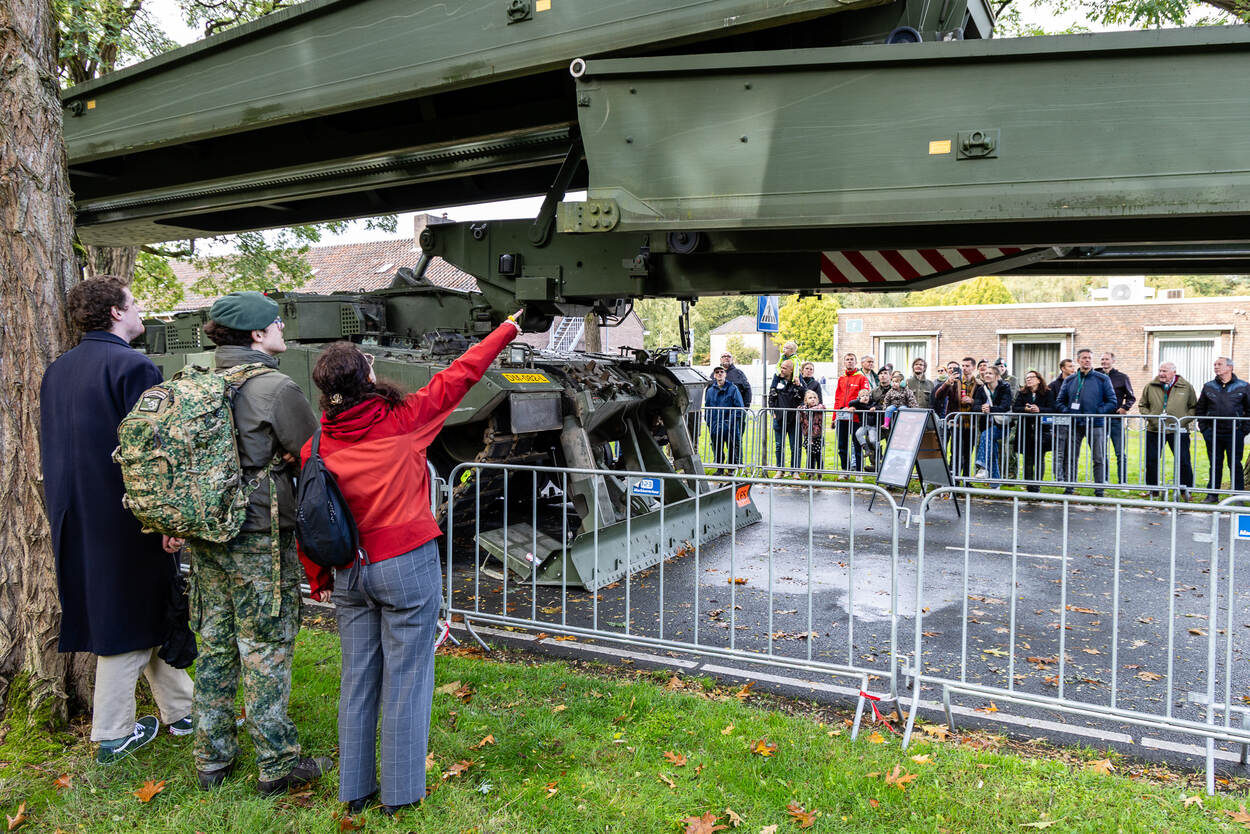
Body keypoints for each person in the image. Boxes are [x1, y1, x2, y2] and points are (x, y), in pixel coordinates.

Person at [300, 315, 521, 816]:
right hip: (406, 566)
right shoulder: (404, 419)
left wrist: (320, 579)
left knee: (358, 679)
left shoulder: (316, 445)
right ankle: (400, 796)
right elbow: (462, 373)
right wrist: (507, 328)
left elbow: (312, 516)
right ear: (367, 379)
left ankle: (355, 791)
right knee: (408, 679)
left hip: (350, 574)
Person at [39, 276, 194, 765]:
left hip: (73, 513)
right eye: (134, 302)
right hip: (126, 515)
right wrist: (167, 519)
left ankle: (183, 710)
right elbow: (151, 455)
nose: (140, 309)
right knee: (125, 614)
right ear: (115, 312)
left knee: (146, 607)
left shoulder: (57, 370)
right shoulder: (135, 367)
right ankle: (112, 734)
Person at [188, 291, 329, 794]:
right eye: (275, 323)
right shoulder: (275, 387)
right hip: (259, 536)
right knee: (266, 646)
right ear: (256, 334)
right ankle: (277, 763)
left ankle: (212, 759)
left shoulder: (195, 382)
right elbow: (314, 452)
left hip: (207, 532)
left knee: (216, 645)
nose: (282, 329)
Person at [1056, 348, 1117, 496]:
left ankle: (1099, 489)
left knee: (1099, 457)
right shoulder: (1070, 380)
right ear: (1078, 360)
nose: (1087, 360)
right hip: (1075, 424)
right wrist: (1068, 412)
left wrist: (1097, 412)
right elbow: (1059, 401)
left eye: (1089, 358)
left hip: (1096, 424)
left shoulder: (1102, 379)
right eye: (1084, 358)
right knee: (1071, 457)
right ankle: (1070, 487)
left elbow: (1112, 401)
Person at [1195, 356, 1250, 500]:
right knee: (1215, 464)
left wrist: (1243, 430)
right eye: (1215, 364)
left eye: (1219, 364)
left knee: (1235, 465)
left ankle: (1238, 497)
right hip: (1213, 433)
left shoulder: (1243, 386)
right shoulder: (1209, 386)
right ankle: (1212, 495)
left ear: (1230, 367)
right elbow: (1200, 409)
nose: (1216, 367)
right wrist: (1205, 429)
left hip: (1235, 433)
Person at [1139, 361, 1197, 496]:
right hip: (1154, 430)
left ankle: (1186, 491)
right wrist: (1151, 418)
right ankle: (1153, 491)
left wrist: (1181, 422)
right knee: (1151, 460)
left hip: (1178, 430)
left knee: (1183, 460)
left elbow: (1193, 407)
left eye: (1164, 371)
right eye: (1160, 371)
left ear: (1173, 372)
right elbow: (1143, 405)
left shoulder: (1186, 387)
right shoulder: (1150, 386)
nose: (1161, 374)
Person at [1011, 370, 1055, 491]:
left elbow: (1052, 408)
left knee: (1039, 458)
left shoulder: (1047, 393)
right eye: (1027, 378)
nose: (1028, 379)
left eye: (1031, 377)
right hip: (1026, 429)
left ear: (1039, 380)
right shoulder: (1022, 393)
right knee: (1028, 459)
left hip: (1042, 430)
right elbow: (1015, 408)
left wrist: (1039, 409)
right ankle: (1029, 486)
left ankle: (1037, 485)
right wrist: (1025, 410)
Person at [1100, 351, 1137, 484]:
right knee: (1101, 452)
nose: (1104, 362)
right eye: (1102, 359)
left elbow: (1131, 397)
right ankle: (1103, 480)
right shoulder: (1096, 376)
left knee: (1120, 452)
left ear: (1113, 361)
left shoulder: (1122, 377)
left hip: (1116, 419)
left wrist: (1125, 407)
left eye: (1107, 359)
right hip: (1099, 419)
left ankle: (1123, 482)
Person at [972, 365, 1012, 480]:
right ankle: (995, 483)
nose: (987, 375)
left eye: (990, 373)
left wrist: (991, 409)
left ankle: (982, 466)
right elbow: (975, 406)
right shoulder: (981, 389)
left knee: (986, 436)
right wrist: (982, 408)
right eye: (985, 373)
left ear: (997, 376)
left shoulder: (1005, 388)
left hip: (1001, 425)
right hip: (986, 425)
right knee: (993, 453)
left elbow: (1005, 406)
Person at [833, 353, 871, 471]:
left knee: (857, 445)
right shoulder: (841, 378)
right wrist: (834, 417)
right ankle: (845, 470)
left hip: (856, 418)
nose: (849, 361)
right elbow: (837, 398)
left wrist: (854, 406)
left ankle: (859, 472)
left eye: (852, 360)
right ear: (844, 362)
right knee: (842, 446)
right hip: (842, 417)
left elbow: (865, 397)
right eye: (847, 359)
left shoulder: (861, 378)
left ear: (856, 362)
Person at [704, 366, 745, 470]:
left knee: (732, 447)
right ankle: (719, 468)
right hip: (715, 425)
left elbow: (739, 407)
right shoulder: (710, 391)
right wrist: (709, 422)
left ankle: (731, 469)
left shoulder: (733, 388)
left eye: (721, 372)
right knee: (716, 447)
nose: (719, 374)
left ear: (725, 374)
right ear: (714, 375)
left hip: (730, 425)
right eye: (717, 372)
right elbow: (707, 407)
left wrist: (730, 422)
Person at [768, 359, 805, 474]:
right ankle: (780, 470)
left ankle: (795, 471)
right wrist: (773, 412)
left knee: (795, 446)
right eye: (781, 367)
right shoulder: (777, 379)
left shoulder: (798, 380)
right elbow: (771, 395)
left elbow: (805, 395)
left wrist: (799, 386)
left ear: (791, 370)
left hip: (794, 420)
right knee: (779, 446)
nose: (782, 370)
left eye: (784, 368)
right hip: (779, 419)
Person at [1048, 358, 1076, 484]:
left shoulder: (1077, 382)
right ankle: (1059, 479)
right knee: (1059, 452)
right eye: (1070, 366)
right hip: (1059, 422)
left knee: (1071, 453)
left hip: (1074, 422)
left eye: (1073, 366)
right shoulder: (1053, 385)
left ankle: (1068, 478)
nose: (1073, 369)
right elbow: (1052, 404)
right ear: (1063, 368)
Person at [850, 388, 883, 470]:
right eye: (863, 396)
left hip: (872, 426)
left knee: (872, 440)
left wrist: (875, 408)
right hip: (864, 426)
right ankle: (866, 449)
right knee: (858, 433)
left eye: (867, 395)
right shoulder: (859, 404)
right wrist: (858, 401)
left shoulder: (873, 403)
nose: (865, 397)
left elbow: (880, 407)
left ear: (869, 396)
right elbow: (850, 403)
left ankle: (879, 451)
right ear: (859, 397)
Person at [797, 389, 826, 471]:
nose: (813, 399)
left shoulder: (820, 407)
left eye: (814, 398)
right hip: (808, 435)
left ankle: (820, 472)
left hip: (817, 435)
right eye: (810, 398)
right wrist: (801, 410)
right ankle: (810, 472)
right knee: (810, 454)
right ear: (806, 400)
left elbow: (822, 407)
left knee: (818, 454)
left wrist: (812, 409)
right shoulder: (804, 409)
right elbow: (800, 417)